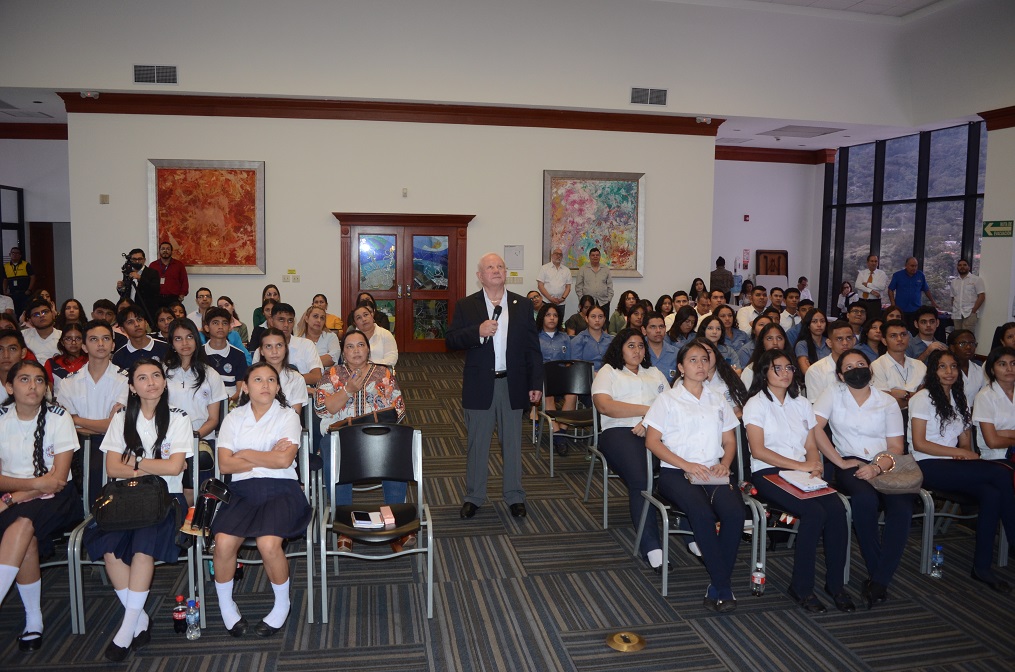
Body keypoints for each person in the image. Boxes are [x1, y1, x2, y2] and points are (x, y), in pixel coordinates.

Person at [82, 359, 192, 661]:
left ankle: (126, 629)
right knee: (108, 549)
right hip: (125, 499)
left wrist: (134, 462)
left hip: (166, 499)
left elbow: (173, 469)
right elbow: (112, 469)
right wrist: (151, 467)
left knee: (143, 549)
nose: (151, 382)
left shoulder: (179, 417)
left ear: (165, 381)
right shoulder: (121, 419)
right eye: (142, 378)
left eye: (156, 375)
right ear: (132, 386)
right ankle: (140, 619)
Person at [744, 349, 853, 614]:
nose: (784, 373)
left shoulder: (802, 403)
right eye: (776, 368)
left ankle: (835, 585)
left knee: (838, 509)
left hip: (801, 474)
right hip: (768, 473)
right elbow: (758, 450)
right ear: (764, 372)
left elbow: (810, 443)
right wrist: (802, 465)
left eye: (789, 368)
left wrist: (815, 465)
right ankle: (802, 587)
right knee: (814, 513)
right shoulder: (755, 404)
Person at [211, 361, 312, 638]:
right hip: (242, 491)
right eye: (257, 380)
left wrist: (243, 453)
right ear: (245, 387)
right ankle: (226, 604)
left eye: (271, 380)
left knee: (269, 544)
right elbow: (225, 466)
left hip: (282, 489)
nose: (265, 384)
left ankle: (282, 604)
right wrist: (265, 456)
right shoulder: (233, 418)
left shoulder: (288, 415)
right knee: (223, 543)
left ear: (278, 387)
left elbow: (284, 460)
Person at [644, 340, 742, 610]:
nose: (700, 365)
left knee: (735, 513)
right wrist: (686, 464)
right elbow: (652, 442)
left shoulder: (717, 398)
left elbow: (730, 441)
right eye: (693, 360)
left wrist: (725, 462)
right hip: (676, 472)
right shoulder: (668, 399)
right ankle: (722, 585)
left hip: (712, 470)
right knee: (702, 514)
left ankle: (718, 583)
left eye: (704, 359)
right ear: (680, 368)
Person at [812, 349, 912, 609]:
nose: (856, 369)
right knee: (864, 501)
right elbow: (814, 428)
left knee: (901, 508)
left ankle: (878, 579)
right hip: (849, 463)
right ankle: (879, 575)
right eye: (849, 367)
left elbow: (896, 447)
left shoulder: (887, 401)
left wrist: (877, 468)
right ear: (840, 375)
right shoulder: (833, 393)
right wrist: (839, 461)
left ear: (870, 368)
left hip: (885, 464)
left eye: (861, 364)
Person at [910, 349, 1015, 592]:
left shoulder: (960, 398)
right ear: (933, 371)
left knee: (992, 494)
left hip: (955, 463)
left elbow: (965, 440)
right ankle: (1013, 538)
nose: (950, 372)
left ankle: (982, 567)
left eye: (954, 367)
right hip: (928, 464)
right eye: (943, 367)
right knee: (1002, 473)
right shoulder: (922, 398)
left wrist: (966, 453)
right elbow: (920, 443)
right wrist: (963, 454)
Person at [446, 253, 542, 520]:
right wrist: (477, 331)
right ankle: (474, 497)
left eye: (500, 266)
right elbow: (451, 340)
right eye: (490, 267)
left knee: (512, 443)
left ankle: (514, 496)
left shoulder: (522, 305)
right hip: (480, 384)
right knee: (478, 444)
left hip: (513, 383)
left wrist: (536, 383)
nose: (496, 270)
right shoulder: (467, 305)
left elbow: (533, 349)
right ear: (480, 275)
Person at [0, 360, 80, 652]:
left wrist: (13, 498)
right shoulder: (0, 418)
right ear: (9, 387)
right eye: (24, 380)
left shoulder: (59, 417)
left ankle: (32, 617)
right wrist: (29, 487)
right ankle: (33, 619)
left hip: (57, 501)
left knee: (21, 523)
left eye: (38, 380)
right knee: (26, 538)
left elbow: (55, 481)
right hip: (16, 499)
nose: (32, 386)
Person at [314, 330, 408, 550]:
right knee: (333, 451)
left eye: (360, 345)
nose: (356, 350)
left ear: (368, 349)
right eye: (350, 346)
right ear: (343, 352)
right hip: (341, 438)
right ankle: (345, 529)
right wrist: (348, 390)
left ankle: (394, 529)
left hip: (378, 438)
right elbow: (322, 409)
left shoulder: (384, 373)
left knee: (397, 448)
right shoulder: (332, 374)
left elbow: (399, 410)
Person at [591, 328, 668, 571]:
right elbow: (605, 406)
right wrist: (647, 412)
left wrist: (650, 422)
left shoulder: (654, 373)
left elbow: (672, 405)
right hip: (619, 433)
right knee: (642, 477)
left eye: (640, 346)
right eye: (631, 346)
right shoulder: (608, 372)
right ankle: (651, 546)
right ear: (620, 348)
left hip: (657, 431)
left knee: (679, 469)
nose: (637, 351)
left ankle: (691, 535)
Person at [163, 318, 227, 491]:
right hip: (168, 441)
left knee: (200, 492)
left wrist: (193, 436)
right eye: (178, 338)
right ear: (171, 343)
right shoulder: (162, 372)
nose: (185, 343)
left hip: (202, 441)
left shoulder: (210, 374)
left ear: (197, 340)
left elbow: (214, 419)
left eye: (189, 337)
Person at [254, 303, 324, 385]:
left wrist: (287, 381)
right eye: (281, 320)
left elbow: (317, 377)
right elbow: (256, 380)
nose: (286, 325)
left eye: (290, 320)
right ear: (271, 321)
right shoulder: (261, 351)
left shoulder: (306, 345)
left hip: (302, 394)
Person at [871, 319, 927, 417]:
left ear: (908, 337)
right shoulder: (877, 365)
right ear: (884, 341)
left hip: (921, 416)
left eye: (903, 334)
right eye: (893, 336)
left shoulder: (920, 365)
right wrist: (915, 394)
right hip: (890, 417)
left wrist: (902, 394)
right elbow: (884, 403)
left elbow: (928, 396)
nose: (900, 339)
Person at [973, 346, 1015, 462]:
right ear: (992, 370)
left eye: (1013, 363)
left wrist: (1005, 433)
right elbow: (992, 442)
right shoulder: (985, 397)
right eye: (1002, 364)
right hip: (997, 458)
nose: (1009, 368)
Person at [203, 306, 249, 402]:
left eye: (224, 323)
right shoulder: (198, 353)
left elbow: (240, 389)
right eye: (215, 323)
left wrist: (229, 400)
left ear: (229, 328)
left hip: (231, 404)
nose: (220, 327)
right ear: (207, 327)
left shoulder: (238, 355)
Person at [257, 328, 309, 416]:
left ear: (285, 348)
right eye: (268, 346)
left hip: (286, 427)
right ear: (261, 351)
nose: (274, 351)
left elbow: (294, 416)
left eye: (279, 345)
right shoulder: (252, 378)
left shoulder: (296, 379)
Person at [804, 320, 857, 402]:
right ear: (829, 343)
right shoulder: (815, 370)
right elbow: (816, 406)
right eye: (839, 339)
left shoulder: (862, 366)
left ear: (854, 341)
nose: (845, 343)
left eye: (849, 338)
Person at [111, 304, 169, 370]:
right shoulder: (119, 357)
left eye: (139, 320)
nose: (136, 324)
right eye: (130, 322)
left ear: (146, 323)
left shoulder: (165, 348)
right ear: (122, 329)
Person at [888, 257, 939, 328]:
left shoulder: (920, 275)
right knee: (901, 329)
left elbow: (926, 289)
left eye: (916, 266)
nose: (914, 268)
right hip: (901, 309)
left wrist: (933, 302)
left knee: (914, 331)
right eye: (912, 266)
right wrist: (893, 304)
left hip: (916, 310)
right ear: (906, 265)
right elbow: (890, 289)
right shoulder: (897, 275)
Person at [115, 249, 160, 325]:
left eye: (139, 259)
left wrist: (140, 278)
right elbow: (126, 292)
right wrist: (121, 288)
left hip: (146, 310)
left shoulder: (152, 272)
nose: (137, 261)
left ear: (144, 260)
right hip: (129, 310)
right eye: (134, 259)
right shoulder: (128, 272)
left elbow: (155, 289)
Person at [740, 321, 790, 389]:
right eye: (769, 338)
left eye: (779, 338)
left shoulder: (791, 368)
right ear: (762, 342)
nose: (775, 342)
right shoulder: (751, 370)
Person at [45, 322, 87, 399]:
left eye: (78, 338)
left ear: (83, 341)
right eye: (68, 339)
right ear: (62, 342)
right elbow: (48, 392)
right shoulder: (52, 363)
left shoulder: (91, 362)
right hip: (60, 407)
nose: (73, 342)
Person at [349, 303, 397, 369]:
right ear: (355, 323)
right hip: (357, 372)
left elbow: (392, 358)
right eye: (359, 318)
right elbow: (348, 359)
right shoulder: (351, 338)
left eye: (366, 315)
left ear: (372, 315)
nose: (364, 319)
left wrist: (371, 368)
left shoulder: (385, 334)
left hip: (381, 372)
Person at [569, 304, 612, 372]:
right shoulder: (578, 340)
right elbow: (576, 367)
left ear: (604, 319)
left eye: (600, 317)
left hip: (609, 376)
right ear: (586, 319)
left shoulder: (611, 340)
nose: (597, 320)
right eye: (593, 317)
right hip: (587, 377)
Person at [574, 247, 613, 316]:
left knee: (604, 323)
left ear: (600, 256)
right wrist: (582, 300)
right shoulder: (583, 269)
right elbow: (578, 287)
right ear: (589, 256)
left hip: (603, 302)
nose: (595, 257)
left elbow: (610, 286)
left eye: (597, 255)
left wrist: (608, 300)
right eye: (593, 255)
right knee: (587, 322)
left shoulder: (605, 269)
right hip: (587, 303)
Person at [949, 258, 985, 332]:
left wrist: (974, 310)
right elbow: (953, 298)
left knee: (967, 336)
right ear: (957, 267)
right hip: (957, 314)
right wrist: (954, 309)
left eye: (964, 265)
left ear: (969, 267)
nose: (962, 267)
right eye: (960, 265)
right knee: (957, 336)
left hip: (970, 313)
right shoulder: (954, 282)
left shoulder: (976, 279)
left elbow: (981, 296)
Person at [149, 241, 189, 307]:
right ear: (159, 251)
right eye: (163, 249)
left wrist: (182, 294)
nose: (165, 251)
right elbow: (149, 282)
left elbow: (184, 281)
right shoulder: (153, 265)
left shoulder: (179, 265)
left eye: (168, 249)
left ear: (171, 251)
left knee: (173, 316)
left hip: (173, 298)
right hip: (156, 298)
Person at [22, 297, 61, 362]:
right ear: (30, 320)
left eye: (45, 312)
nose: (41, 316)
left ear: (52, 314)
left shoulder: (63, 336)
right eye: (36, 314)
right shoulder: (22, 336)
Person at [948, 329, 985, 400]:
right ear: (952, 348)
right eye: (962, 344)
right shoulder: (946, 371)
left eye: (972, 343)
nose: (968, 347)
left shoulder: (979, 370)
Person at [645, 312, 678, 385]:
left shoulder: (676, 353)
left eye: (661, 326)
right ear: (644, 330)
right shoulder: (639, 351)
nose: (658, 331)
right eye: (653, 327)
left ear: (665, 328)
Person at [537, 248, 572, 317]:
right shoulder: (544, 268)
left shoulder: (566, 270)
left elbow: (568, 287)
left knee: (559, 323)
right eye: (556, 254)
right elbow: (540, 285)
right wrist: (550, 298)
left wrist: (563, 298)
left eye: (560, 255)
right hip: (546, 302)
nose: (558, 256)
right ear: (552, 255)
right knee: (546, 322)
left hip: (561, 303)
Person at [795, 308, 829, 375]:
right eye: (814, 321)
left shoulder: (830, 342)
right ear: (808, 325)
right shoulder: (802, 345)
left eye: (822, 321)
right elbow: (806, 371)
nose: (819, 325)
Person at [3, 246, 35, 318]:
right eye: (13, 253)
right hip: (13, 293)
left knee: (25, 310)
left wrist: (29, 289)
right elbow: (5, 280)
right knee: (15, 311)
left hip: (24, 293)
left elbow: (33, 277)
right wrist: (5, 291)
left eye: (17, 253)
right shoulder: (5, 266)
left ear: (20, 255)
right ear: (10, 254)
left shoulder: (26, 264)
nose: (15, 254)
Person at [855, 254, 888, 321]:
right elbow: (858, 285)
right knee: (860, 322)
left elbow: (881, 287)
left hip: (874, 304)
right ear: (867, 263)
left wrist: (867, 284)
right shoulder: (862, 273)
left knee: (874, 322)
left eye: (876, 261)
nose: (874, 263)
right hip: (862, 302)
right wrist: (871, 291)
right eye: (872, 261)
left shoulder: (881, 274)